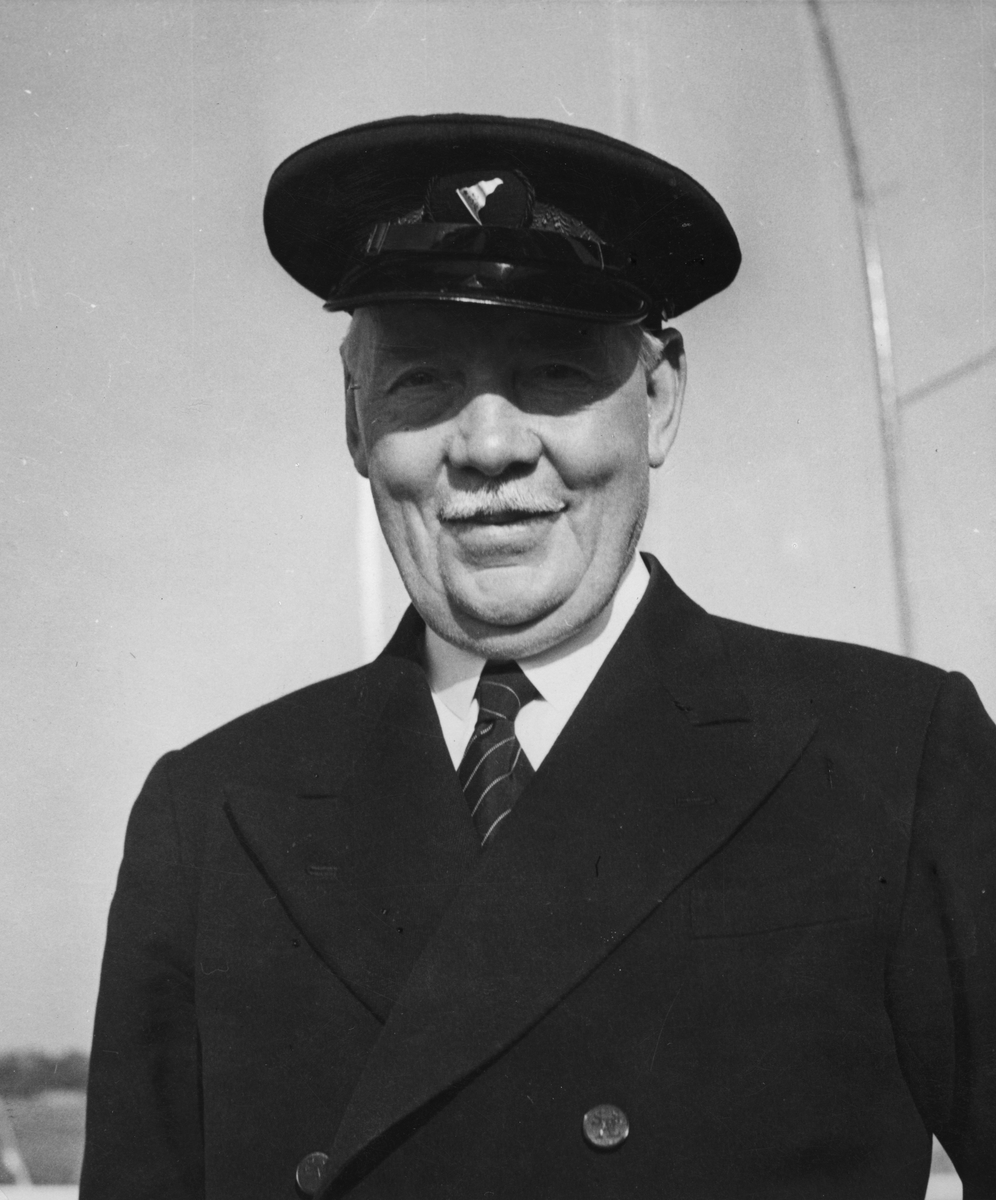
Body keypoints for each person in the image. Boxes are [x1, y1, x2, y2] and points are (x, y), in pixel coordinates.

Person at [80, 114, 996, 1200]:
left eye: (555, 373)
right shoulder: (209, 815)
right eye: (422, 381)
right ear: (355, 419)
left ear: (659, 399)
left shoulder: (895, 756)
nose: (490, 446)